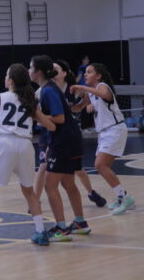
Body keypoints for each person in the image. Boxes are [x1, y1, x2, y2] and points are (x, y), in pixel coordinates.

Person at [0, 64, 56, 251]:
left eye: (6, 75)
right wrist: (33, 117)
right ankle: (40, 231)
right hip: (25, 145)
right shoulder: (30, 102)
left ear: (10, 80)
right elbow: (51, 126)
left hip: (5, 143)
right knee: (29, 192)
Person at [29, 55, 90, 242]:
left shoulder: (48, 91)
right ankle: (80, 222)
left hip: (63, 141)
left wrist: (37, 116)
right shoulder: (49, 89)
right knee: (68, 184)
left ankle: (61, 228)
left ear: (38, 71)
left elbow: (60, 118)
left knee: (50, 185)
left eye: (31, 67)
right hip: (71, 139)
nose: (29, 71)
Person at [71, 63, 135, 216]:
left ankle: (125, 198)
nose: (85, 74)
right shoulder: (92, 94)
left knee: (99, 165)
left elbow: (104, 95)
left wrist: (83, 88)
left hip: (114, 129)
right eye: (85, 72)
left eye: (89, 72)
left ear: (98, 76)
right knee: (103, 167)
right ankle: (122, 196)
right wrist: (74, 104)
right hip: (104, 133)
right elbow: (78, 107)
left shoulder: (103, 86)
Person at [53, 60, 106, 208]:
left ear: (64, 73)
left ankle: (91, 193)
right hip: (54, 133)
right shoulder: (46, 90)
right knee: (47, 169)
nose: (52, 70)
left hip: (71, 132)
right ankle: (34, 199)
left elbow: (86, 100)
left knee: (77, 169)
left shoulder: (73, 89)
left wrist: (85, 105)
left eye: (55, 68)